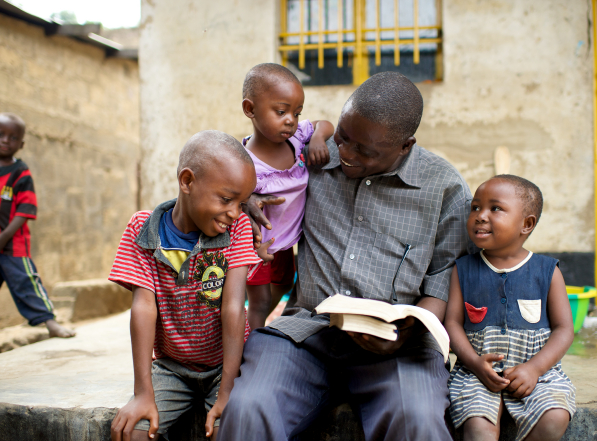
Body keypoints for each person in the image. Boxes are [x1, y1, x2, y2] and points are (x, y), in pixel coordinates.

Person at [217, 72, 473, 441]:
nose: (347, 155)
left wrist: (406, 333)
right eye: (344, 137)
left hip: (396, 345)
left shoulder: (444, 188)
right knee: (249, 409)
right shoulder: (310, 159)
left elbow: (442, 281)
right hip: (306, 331)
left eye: (365, 151)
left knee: (417, 420)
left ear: (405, 145)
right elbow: (240, 173)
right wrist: (246, 198)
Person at [108, 131, 263, 441]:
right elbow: (143, 308)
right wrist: (142, 393)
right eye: (226, 199)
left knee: (230, 428)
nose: (235, 212)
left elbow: (234, 307)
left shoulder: (239, 229)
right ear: (188, 181)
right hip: (171, 367)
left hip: (225, 366)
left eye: (241, 202)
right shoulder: (143, 230)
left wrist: (228, 390)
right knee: (131, 434)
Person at [444, 175, 576, 441]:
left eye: (495, 208)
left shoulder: (547, 271)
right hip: (476, 372)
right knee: (478, 426)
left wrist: (535, 369)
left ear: (526, 224)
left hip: (539, 372)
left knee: (555, 417)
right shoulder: (463, 269)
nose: (480, 216)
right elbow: (453, 324)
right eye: (475, 207)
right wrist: (474, 363)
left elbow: (564, 329)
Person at [241, 63, 334, 331]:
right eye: (281, 112)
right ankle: (250, 352)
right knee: (258, 302)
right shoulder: (244, 162)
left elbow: (326, 124)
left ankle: (249, 329)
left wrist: (317, 138)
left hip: (285, 244)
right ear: (250, 109)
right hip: (256, 244)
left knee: (283, 285)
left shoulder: (297, 140)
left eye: (297, 112)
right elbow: (230, 196)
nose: (291, 120)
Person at [0, 112, 75, 338]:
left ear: (21, 144)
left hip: (13, 246)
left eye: (12, 138)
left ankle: (50, 323)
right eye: (1, 134)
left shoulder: (20, 173)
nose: (5, 140)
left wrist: (3, 238)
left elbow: (25, 211)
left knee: (26, 283)